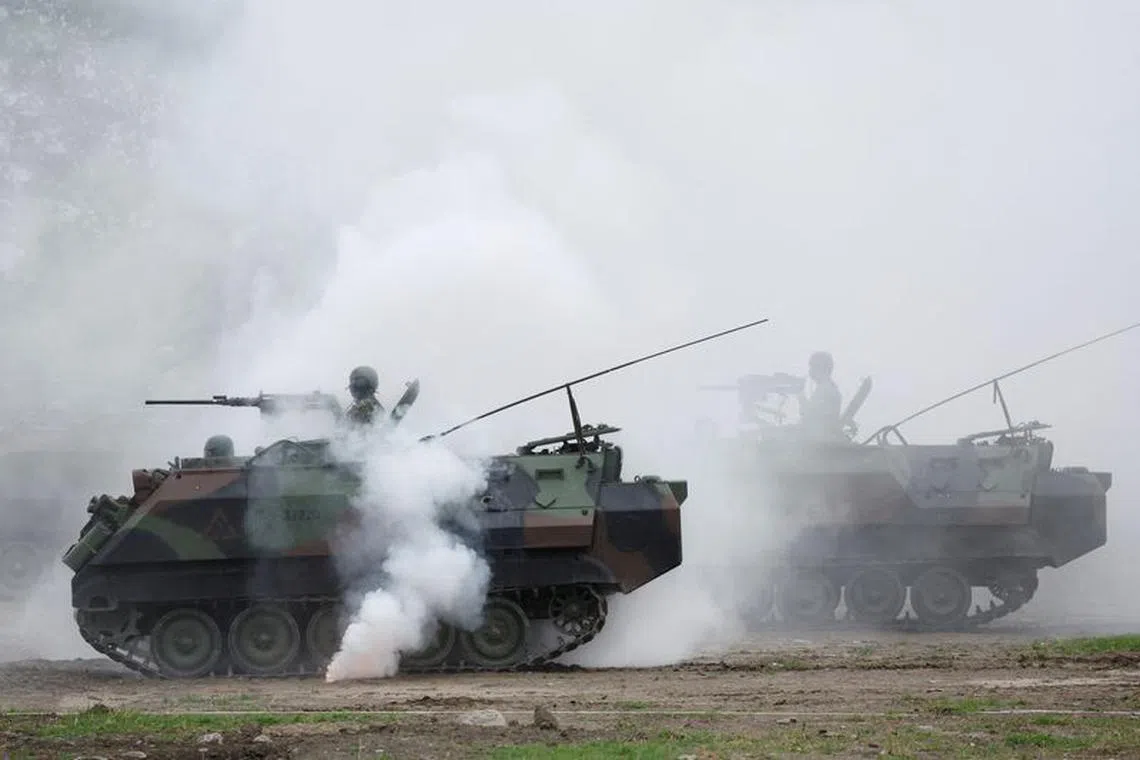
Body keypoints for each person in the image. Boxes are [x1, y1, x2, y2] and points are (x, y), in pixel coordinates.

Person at [797, 351, 842, 438]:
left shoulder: (825, 390)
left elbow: (809, 416)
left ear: (820, 368)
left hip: (819, 439)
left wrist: (801, 398)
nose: (810, 371)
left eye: (812, 367)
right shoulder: (828, 387)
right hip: (820, 436)